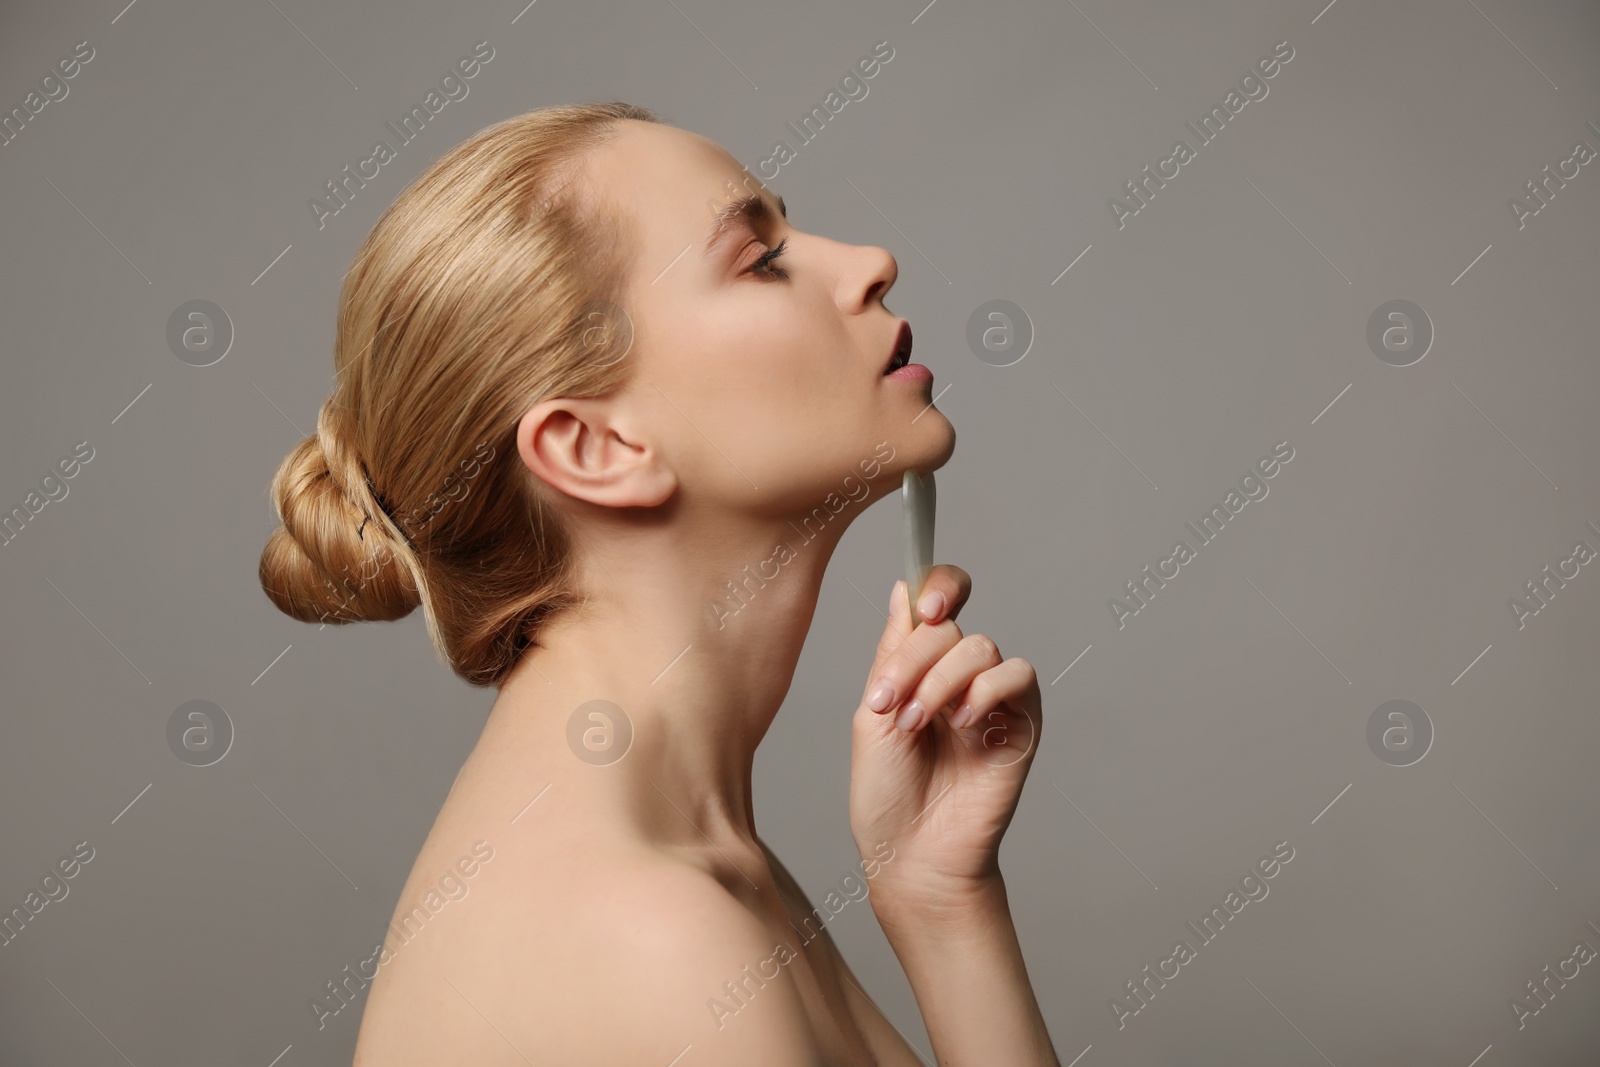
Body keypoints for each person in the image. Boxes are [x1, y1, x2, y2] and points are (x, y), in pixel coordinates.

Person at [259, 101, 1059, 1066]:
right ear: (595, 446)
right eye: (760, 259)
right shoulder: (650, 937)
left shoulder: (704, 866)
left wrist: (942, 904)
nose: (869, 261)